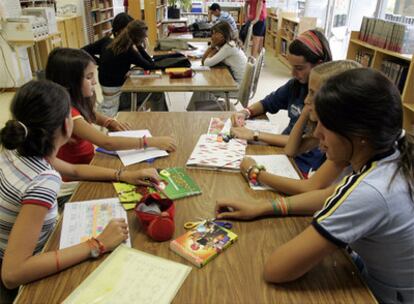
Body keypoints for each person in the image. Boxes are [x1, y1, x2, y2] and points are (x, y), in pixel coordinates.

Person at [218, 68, 414, 303]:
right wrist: (262, 207)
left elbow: (276, 269)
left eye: (324, 125)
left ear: (359, 134)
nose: (317, 133)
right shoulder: (390, 152)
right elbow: (328, 195)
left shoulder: (370, 192)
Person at [0, 80, 160, 294]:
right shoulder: (42, 181)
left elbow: (74, 170)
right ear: (67, 125)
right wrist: (98, 244)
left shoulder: (18, 150)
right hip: (23, 277)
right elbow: (12, 274)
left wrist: (124, 175)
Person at [238, 60, 361, 195]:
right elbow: (291, 150)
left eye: (313, 93)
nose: (306, 99)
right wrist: (306, 110)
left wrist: (255, 172)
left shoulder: (342, 141)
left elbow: (308, 188)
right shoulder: (327, 127)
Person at [45, 47, 176, 166]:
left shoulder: (74, 103)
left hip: (88, 164)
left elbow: (90, 114)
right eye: (89, 77)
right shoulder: (68, 113)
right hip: (77, 178)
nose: (95, 82)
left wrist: (108, 122)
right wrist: (151, 142)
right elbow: (107, 143)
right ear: (69, 82)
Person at [231, 29, 332, 175]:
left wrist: (254, 134)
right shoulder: (296, 85)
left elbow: (298, 145)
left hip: (300, 164)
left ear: (318, 65)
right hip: (282, 151)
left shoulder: (325, 101)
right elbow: (268, 102)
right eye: (292, 67)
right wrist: (245, 112)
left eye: (299, 68)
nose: (293, 73)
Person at [94, 19, 168, 117]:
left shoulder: (110, 42)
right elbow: (150, 65)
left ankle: (157, 119)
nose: (146, 37)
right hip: (118, 99)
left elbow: (83, 51)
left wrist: (100, 63)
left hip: (107, 97)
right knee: (158, 93)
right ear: (138, 38)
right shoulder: (128, 51)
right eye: (144, 36)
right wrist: (140, 47)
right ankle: (161, 121)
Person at [186, 21, 247, 111]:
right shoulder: (230, 43)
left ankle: (194, 112)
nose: (212, 36)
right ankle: (194, 112)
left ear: (223, 35)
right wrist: (214, 47)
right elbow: (206, 61)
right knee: (202, 88)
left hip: (237, 87)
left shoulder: (228, 47)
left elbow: (206, 63)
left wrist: (212, 46)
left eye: (215, 33)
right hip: (235, 81)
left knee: (202, 88)